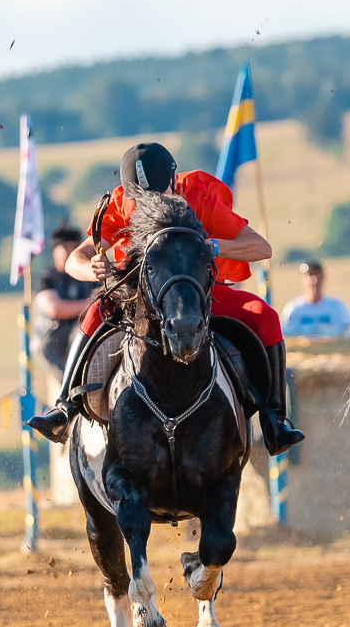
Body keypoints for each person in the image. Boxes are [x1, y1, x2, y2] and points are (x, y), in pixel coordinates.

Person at [26, 141, 304, 455]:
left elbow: (261, 248)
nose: (151, 204)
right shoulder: (121, 204)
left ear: (174, 180)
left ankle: (275, 419)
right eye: (142, 198)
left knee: (264, 315)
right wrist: (92, 268)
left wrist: (212, 247)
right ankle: (65, 409)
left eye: (157, 194)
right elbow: (77, 257)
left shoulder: (199, 195)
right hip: (140, 297)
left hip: (201, 294)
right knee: (95, 310)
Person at [31, 226, 95, 395]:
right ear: (55, 251)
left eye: (74, 247)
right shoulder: (48, 278)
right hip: (56, 334)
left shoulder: (89, 274)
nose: (70, 252)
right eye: (65, 248)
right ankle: (69, 389)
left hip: (87, 327)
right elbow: (54, 309)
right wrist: (90, 304)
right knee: (48, 349)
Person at [281, 260, 350, 339]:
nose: (314, 280)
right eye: (310, 275)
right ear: (302, 279)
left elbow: (347, 333)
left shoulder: (338, 306)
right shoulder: (293, 309)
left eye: (318, 275)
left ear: (323, 277)